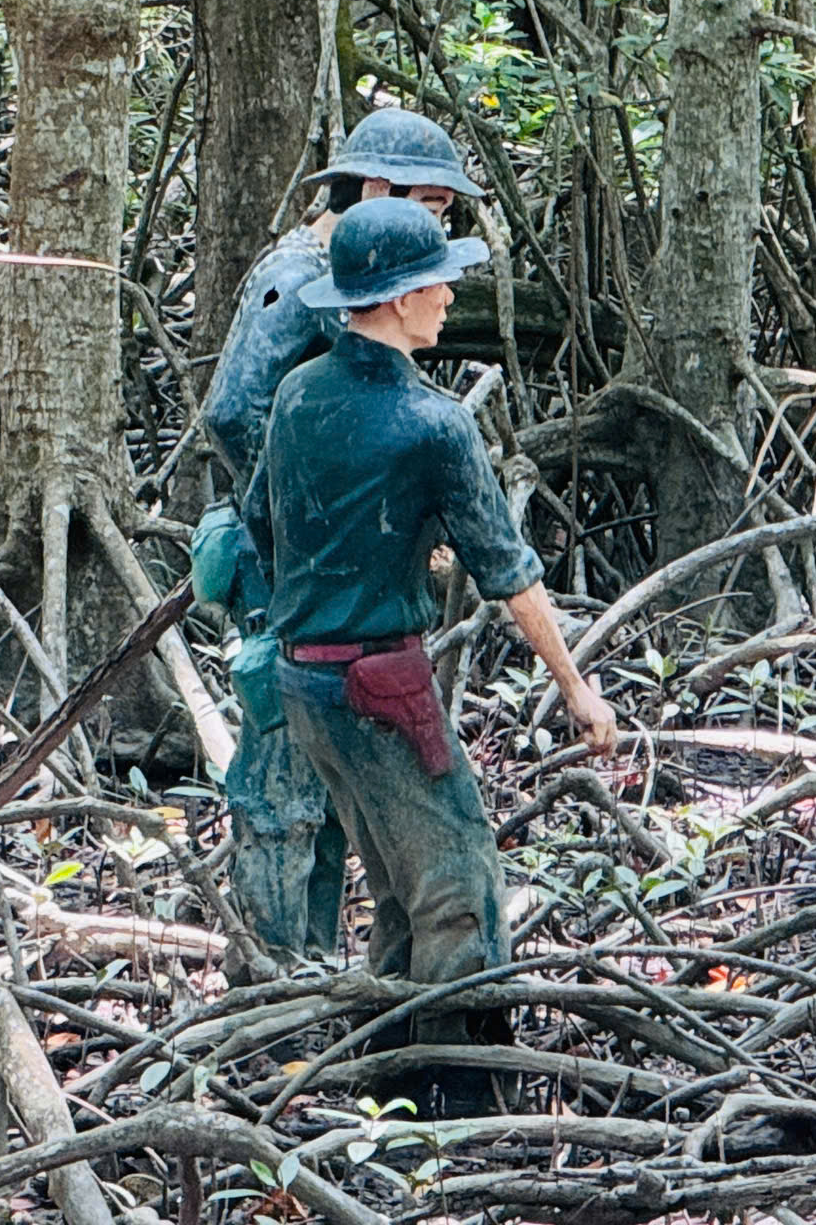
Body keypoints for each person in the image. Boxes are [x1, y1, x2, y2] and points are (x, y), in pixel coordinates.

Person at [243, 198, 619, 1116]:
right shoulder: (432, 423)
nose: (451, 294)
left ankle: (394, 1080)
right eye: (438, 281)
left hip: (306, 684)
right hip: (381, 685)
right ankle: (462, 1097)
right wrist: (577, 689)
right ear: (398, 299)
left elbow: (264, 519)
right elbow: (511, 573)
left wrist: (386, 552)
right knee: (458, 880)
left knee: (396, 877)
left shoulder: (296, 394)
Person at [197, 109, 485, 965]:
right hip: (287, 578)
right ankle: (275, 978)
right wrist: (312, 524)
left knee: (326, 785)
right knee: (282, 786)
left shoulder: (342, 271)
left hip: (324, 579)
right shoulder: (302, 271)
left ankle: (316, 967)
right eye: (427, 204)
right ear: (374, 192)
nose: (436, 227)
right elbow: (233, 409)